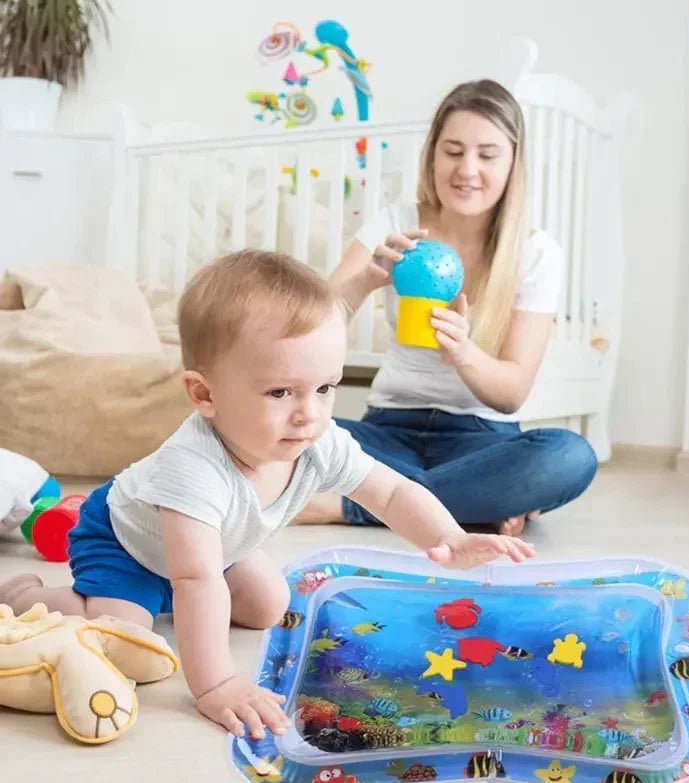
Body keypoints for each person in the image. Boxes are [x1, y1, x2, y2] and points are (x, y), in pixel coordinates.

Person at [0, 250, 533, 740]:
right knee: (126, 636)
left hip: (216, 545)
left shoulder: (315, 436)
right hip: (128, 541)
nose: (309, 412)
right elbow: (196, 578)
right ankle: (28, 595)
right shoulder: (194, 470)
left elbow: (390, 492)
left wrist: (450, 536)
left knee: (268, 605)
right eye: (281, 392)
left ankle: (161, 599)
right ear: (204, 394)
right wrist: (215, 687)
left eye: (325, 388)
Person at [294, 80, 597, 536]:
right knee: (276, 428)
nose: (467, 169)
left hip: (480, 441)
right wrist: (366, 278)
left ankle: (351, 504)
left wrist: (465, 353)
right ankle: (470, 502)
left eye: (487, 155)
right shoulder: (396, 222)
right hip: (386, 432)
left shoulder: (535, 253)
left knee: (569, 456)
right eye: (453, 151)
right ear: (432, 154)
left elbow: (512, 392)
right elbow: (312, 329)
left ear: (513, 162)